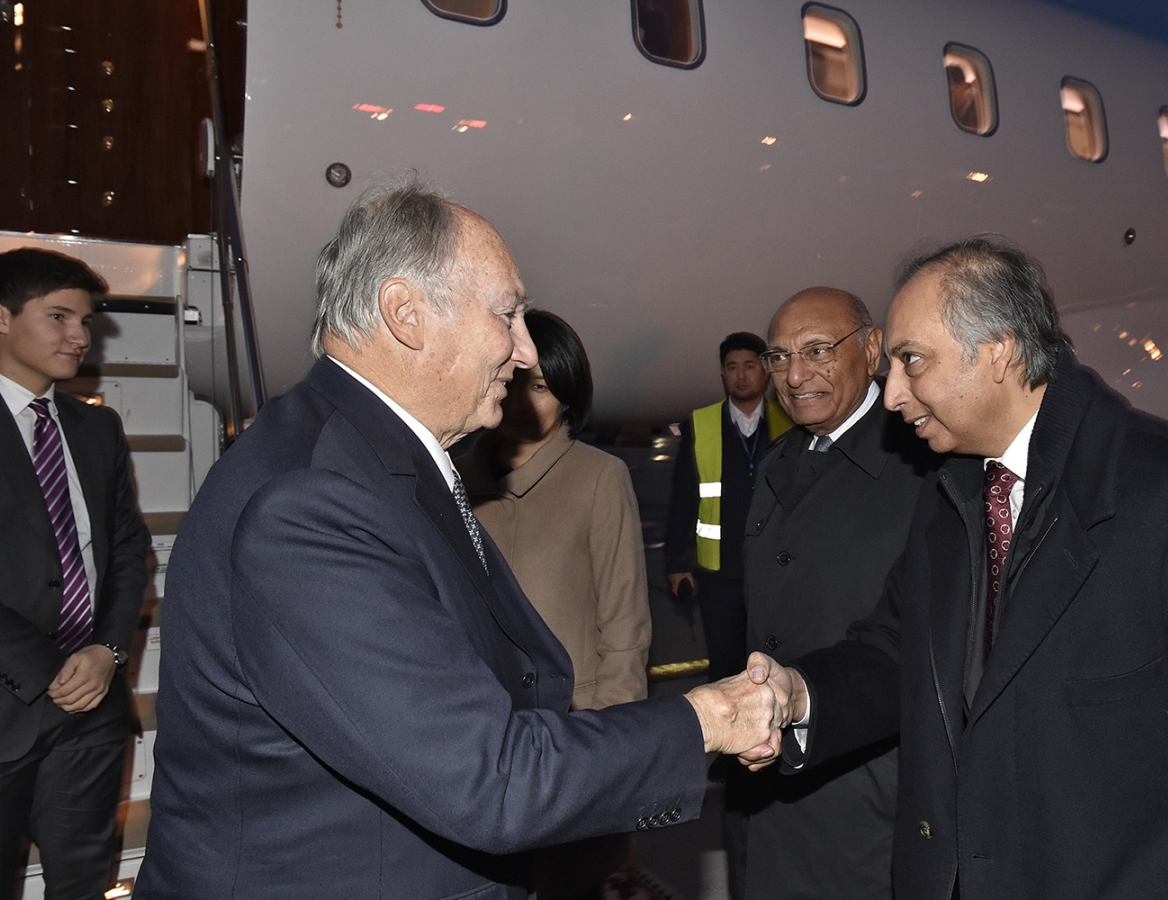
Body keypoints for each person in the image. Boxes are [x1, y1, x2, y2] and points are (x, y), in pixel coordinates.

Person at [134, 177, 788, 900]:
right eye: (508, 314)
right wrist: (710, 716)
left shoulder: (370, 458)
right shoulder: (313, 501)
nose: (527, 350)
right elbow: (489, 779)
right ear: (406, 314)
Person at [752, 237, 1168, 899]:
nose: (892, 396)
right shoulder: (954, 495)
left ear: (998, 351)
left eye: (913, 361)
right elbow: (898, 652)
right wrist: (798, 697)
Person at [730, 289, 936, 900]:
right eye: (778, 358)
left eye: (818, 351)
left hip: (870, 794)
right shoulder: (778, 460)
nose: (795, 376)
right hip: (768, 782)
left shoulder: (924, 462)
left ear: (872, 348)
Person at [0, 248, 151, 900]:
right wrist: (47, 669)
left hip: (92, 709)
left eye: (85, 320)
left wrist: (108, 651)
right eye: (58, 316)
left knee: (85, 885)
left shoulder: (96, 427)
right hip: (8, 703)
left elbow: (127, 548)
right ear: (2, 319)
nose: (79, 337)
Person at [460, 309, 650, 714]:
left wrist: (613, 733)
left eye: (542, 386)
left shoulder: (599, 477)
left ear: (569, 396)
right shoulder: (457, 477)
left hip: (573, 718)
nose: (522, 401)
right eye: (513, 382)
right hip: (478, 716)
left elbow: (624, 626)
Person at [664, 332, 791, 682]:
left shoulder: (791, 422)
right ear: (722, 374)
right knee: (725, 665)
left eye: (750, 366)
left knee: (777, 663)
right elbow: (683, 498)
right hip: (720, 573)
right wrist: (676, 562)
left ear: (764, 371)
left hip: (776, 568)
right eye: (732, 367)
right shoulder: (700, 425)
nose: (741, 375)